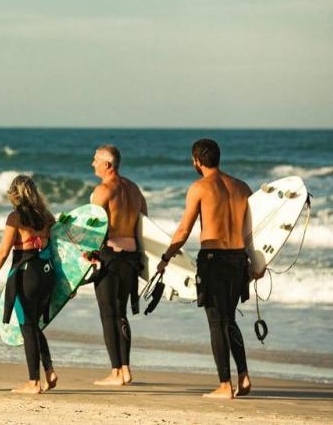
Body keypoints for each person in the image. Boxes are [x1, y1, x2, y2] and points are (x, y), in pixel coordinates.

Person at [157, 138, 255, 399]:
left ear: (198, 161)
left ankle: (224, 385)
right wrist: (256, 263)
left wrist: (166, 257)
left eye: (193, 159)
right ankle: (243, 376)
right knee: (230, 319)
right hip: (238, 260)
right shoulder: (243, 187)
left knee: (216, 322)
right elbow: (253, 232)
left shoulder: (199, 188)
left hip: (213, 259)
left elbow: (184, 229)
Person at [0, 175, 58, 394]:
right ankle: (49, 371)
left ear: (14, 194)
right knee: (34, 324)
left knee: (27, 326)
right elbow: (58, 250)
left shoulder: (15, 217)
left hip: (26, 275)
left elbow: (4, 252)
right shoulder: (47, 217)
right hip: (46, 274)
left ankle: (33, 382)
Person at [88, 145, 147, 386]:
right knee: (121, 313)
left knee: (108, 314)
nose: (93, 164)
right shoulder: (134, 190)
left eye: (96, 160)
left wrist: (89, 254)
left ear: (108, 165)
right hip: (131, 259)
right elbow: (145, 227)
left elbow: (92, 228)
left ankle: (115, 372)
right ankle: (126, 368)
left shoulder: (102, 191)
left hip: (109, 258)